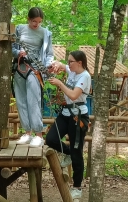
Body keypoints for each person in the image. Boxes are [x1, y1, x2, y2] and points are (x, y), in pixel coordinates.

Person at [45, 50, 91, 199]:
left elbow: (73, 95)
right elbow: (62, 66)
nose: (68, 63)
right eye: (68, 61)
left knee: (77, 152)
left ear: (79, 63)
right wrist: (57, 65)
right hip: (65, 114)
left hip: (77, 117)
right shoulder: (72, 70)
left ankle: (77, 187)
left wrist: (59, 83)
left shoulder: (85, 76)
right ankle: (68, 152)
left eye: (71, 61)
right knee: (51, 139)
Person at [12, 7, 54, 148]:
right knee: (21, 101)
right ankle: (27, 133)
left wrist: (47, 65)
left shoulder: (45, 33)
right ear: (28, 19)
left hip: (35, 68)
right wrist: (18, 52)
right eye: (34, 21)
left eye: (39, 22)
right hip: (19, 67)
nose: (36, 24)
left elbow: (49, 54)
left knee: (33, 100)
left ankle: (39, 135)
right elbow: (11, 48)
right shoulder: (19, 29)